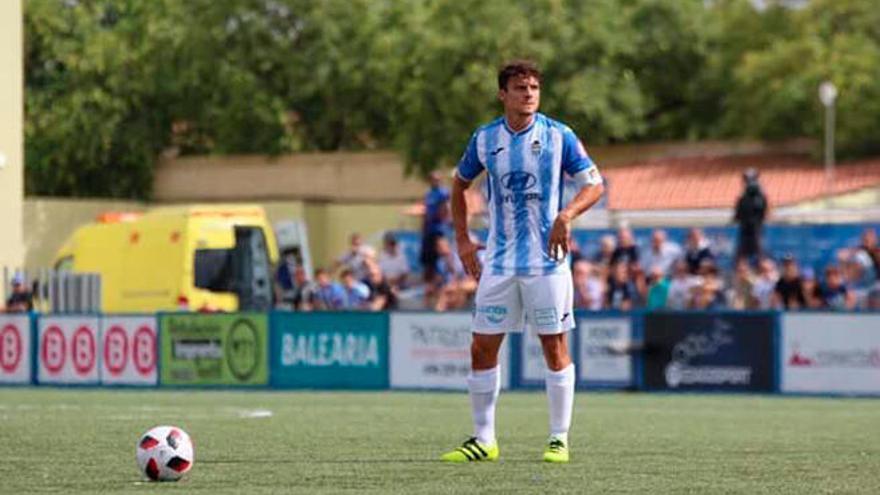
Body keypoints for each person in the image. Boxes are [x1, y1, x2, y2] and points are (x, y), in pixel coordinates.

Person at [441, 60, 604, 464]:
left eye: (533, 87)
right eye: (519, 88)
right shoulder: (485, 139)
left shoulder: (558, 135)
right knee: (481, 347)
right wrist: (463, 239)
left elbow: (594, 184)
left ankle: (558, 438)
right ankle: (484, 439)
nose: (528, 94)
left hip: (546, 263)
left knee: (553, 346)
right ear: (503, 94)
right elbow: (459, 183)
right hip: (497, 262)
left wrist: (566, 216)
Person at [420, 171, 452, 282]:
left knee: (444, 252)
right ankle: (431, 280)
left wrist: (445, 221)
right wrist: (424, 226)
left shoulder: (443, 193)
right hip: (429, 228)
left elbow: (446, 209)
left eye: (438, 179)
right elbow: (426, 211)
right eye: (434, 179)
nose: (436, 182)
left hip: (439, 228)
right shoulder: (428, 194)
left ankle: (452, 275)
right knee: (429, 257)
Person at [733, 168, 768, 264]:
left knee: (761, 259)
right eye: (748, 180)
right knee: (740, 261)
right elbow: (736, 217)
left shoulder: (761, 198)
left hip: (756, 234)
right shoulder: (742, 199)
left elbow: (765, 214)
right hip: (745, 234)